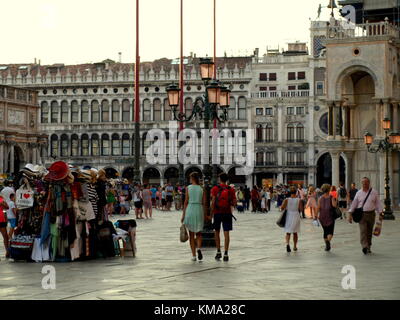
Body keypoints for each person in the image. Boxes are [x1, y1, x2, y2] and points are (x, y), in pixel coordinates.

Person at [348, 177, 383, 255]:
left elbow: (378, 203)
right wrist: (350, 214)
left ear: (369, 183)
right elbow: (354, 204)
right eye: (363, 182)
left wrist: (380, 213)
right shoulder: (359, 193)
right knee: (363, 231)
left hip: (371, 214)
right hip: (362, 214)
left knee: (369, 231)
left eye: (366, 182)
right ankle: (364, 246)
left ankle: (369, 246)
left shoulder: (374, 192)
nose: (364, 184)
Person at [211, 173, 237, 262]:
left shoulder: (215, 188)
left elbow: (213, 202)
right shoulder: (231, 189)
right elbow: (234, 202)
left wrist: (211, 214)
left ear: (219, 179)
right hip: (227, 213)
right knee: (226, 234)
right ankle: (226, 253)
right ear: (227, 180)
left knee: (216, 232)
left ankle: (218, 251)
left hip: (217, 213)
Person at [181, 172, 206, 261]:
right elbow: (204, 203)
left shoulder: (188, 188)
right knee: (199, 233)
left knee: (191, 235)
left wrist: (183, 214)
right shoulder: (201, 188)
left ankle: (194, 256)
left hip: (190, 209)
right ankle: (198, 248)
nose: (189, 179)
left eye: (190, 178)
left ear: (192, 178)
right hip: (199, 209)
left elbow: (186, 202)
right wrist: (205, 214)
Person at [280, 186, 303, 253]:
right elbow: (301, 209)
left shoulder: (286, 200)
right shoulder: (299, 200)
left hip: (289, 215)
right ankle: (295, 246)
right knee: (295, 232)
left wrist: (284, 207)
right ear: (296, 192)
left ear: (289, 192)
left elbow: (281, 208)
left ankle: (287, 244)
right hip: (296, 215)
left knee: (288, 232)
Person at [316, 184, 337, 251]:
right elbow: (334, 205)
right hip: (330, 215)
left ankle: (326, 243)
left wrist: (316, 215)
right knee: (330, 231)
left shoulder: (320, 198)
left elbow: (318, 207)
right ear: (329, 189)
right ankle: (328, 241)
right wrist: (336, 201)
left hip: (322, 216)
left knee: (325, 231)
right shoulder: (331, 197)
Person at [0, 195, 9, 260]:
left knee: (5, 236)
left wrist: (3, 204)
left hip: (2, 220)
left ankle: (7, 252)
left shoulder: (1, 198)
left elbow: (7, 207)